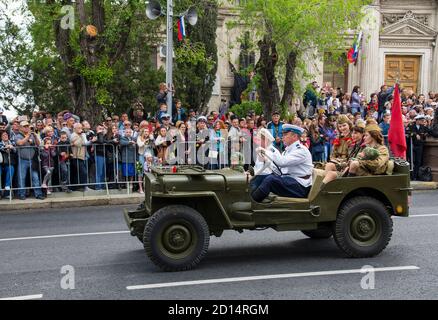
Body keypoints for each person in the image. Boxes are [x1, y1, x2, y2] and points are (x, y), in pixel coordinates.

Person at [251, 124, 313, 202]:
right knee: (263, 176)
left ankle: (254, 203)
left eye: (285, 134)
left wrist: (266, 149)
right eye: (282, 134)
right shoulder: (287, 151)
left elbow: (282, 162)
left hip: (301, 186)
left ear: (294, 136)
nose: (282, 137)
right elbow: (280, 171)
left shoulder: (301, 151)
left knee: (270, 180)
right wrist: (267, 161)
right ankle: (248, 198)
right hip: (292, 182)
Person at [15, 121, 44, 200]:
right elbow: (20, 143)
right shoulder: (18, 136)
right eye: (25, 126)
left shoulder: (31, 135)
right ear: (20, 128)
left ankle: (38, 194)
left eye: (27, 126)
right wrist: (28, 136)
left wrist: (35, 136)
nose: (27, 128)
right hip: (22, 160)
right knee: (22, 178)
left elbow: (38, 144)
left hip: (32, 160)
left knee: (36, 177)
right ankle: (21, 194)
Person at [0, 131, 17, 199]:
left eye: (6, 134)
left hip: (9, 163)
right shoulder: (0, 143)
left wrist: (11, 147)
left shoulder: (12, 142)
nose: (5, 136)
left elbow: (15, 150)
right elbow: (2, 148)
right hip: (1, 164)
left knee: (11, 169)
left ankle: (7, 189)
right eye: (3, 135)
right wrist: (6, 147)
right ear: (1, 137)